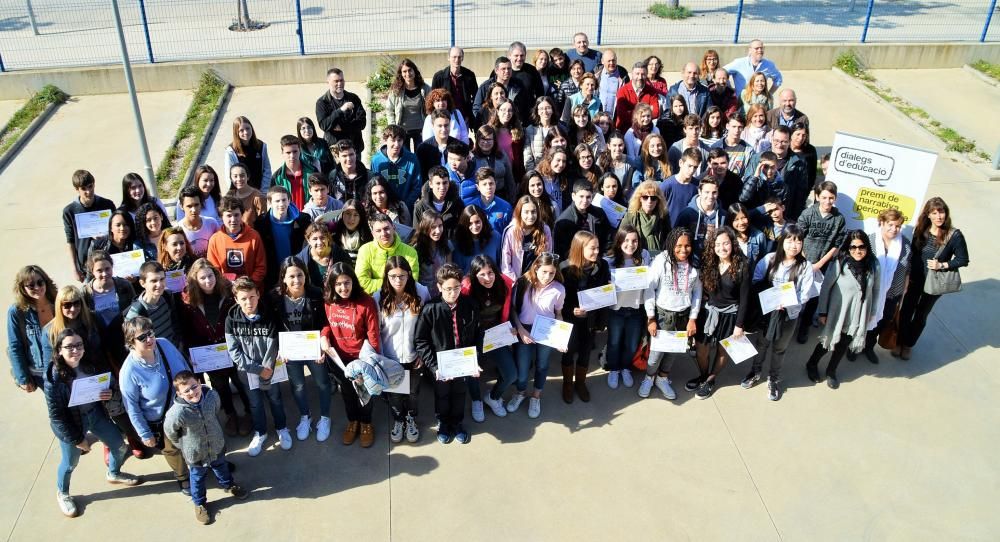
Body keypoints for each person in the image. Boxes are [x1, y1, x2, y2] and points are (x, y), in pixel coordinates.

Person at [46, 328, 142, 518]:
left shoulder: (90, 365)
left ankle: (113, 473)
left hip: (94, 415)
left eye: (79, 345)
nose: (75, 350)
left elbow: (107, 386)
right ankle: (63, 493)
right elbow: (56, 417)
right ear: (59, 350)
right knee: (70, 463)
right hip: (72, 424)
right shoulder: (53, 379)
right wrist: (76, 439)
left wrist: (108, 394)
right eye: (69, 347)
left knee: (119, 447)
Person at [164, 371, 249, 524]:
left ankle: (229, 485)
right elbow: (170, 431)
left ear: (198, 381)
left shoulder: (212, 396)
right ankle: (200, 503)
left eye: (194, 387)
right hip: (195, 453)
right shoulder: (177, 413)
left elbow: (216, 410)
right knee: (197, 478)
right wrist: (182, 445)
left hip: (216, 445)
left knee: (221, 466)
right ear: (179, 393)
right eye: (186, 391)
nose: (192, 392)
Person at [179, 259, 252, 436]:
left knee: (241, 382)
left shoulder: (227, 292)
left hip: (231, 348)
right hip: (208, 353)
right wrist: (193, 354)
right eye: (202, 278)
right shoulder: (188, 300)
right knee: (220, 386)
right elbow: (186, 329)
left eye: (210, 276)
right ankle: (231, 415)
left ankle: (249, 413)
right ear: (195, 280)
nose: (207, 281)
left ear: (216, 275)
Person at [119, 316, 191, 494]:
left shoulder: (164, 344)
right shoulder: (129, 371)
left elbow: (183, 366)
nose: (149, 339)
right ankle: (183, 477)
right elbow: (132, 407)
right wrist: (145, 433)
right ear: (131, 342)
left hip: (185, 406)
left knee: (195, 439)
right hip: (162, 420)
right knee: (172, 450)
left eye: (150, 333)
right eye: (142, 337)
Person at [744, 225, 814, 400]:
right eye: (790, 240)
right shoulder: (769, 259)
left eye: (798, 241)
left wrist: (787, 302)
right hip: (768, 313)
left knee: (780, 348)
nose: (794, 245)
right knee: (761, 344)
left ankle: (773, 379)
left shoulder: (805, 267)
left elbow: (804, 294)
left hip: (788, 315)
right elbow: (756, 280)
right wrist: (770, 297)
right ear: (782, 241)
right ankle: (755, 371)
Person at [268, 257, 333, 443]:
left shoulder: (315, 294)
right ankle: (305, 416)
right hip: (291, 351)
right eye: (291, 276)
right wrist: (278, 348)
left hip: (312, 348)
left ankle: (325, 418)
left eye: (300, 275)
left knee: (322, 382)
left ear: (306, 275)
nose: (296, 280)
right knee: (298, 385)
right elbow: (272, 325)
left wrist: (323, 341)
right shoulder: (275, 297)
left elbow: (324, 322)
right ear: (283, 278)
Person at [225, 276, 292, 456]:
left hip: (270, 369)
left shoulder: (268, 315)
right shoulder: (231, 320)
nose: (249, 302)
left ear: (258, 294)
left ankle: (282, 428)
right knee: (254, 404)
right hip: (248, 373)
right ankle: (260, 433)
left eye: (252, 297)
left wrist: (267, 369)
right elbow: (234, 351)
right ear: (236, 299)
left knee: (275, 399)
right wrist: (257, 370)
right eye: (244, 298)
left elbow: (272, 345)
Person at [805, 231, 880, 389]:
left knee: (843, 345)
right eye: (853, 247)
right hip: (838, 312)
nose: (857, 251)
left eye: (861, 247)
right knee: (827, 341)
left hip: (858, 313)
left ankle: (831, 371)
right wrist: (823, 311)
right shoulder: (840, 262)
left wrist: (872, 312)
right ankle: (811, 364)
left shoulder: (874, 264)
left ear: (867, 247)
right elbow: (826, 287)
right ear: (848, 247)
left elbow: (876, 290)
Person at [414, 264, 479, 444]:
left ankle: (457, 423)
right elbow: (421, 341)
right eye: (448, 289)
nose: (453, 293)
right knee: (442, 394)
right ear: (439, 287)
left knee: (459, 393)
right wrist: (434, 366)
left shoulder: (470, 305)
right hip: (441, 365)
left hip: (463, 362)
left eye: (456, 288)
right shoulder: (430, 309)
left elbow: (477, 335)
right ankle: (443, 423)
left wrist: (475, 361)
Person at [896, 197, 969, 360]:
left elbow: (963, 259)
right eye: (934, 213)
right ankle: (899, 341)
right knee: (906, 311)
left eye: (941, 212)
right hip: (915, 279)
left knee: (921, 315)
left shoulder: (954, 235)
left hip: (934, 283)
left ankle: (908, 345)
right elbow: (913, 254)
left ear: (946, 212)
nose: (938, 216)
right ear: (928, 215)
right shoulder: (921, 230)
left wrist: (941, 265)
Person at [320, 263, 381, 448]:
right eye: (338, 284)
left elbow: (373, 335)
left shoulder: (366, 302)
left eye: (347, 282)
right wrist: (324, 337)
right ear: (332, 285)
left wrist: (371, 362)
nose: (343, 288)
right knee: (347, 392)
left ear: (353, 281)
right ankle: (352, 421)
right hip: (339, 359)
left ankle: (366, 423)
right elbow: (326, 325)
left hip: (361, 358)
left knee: (364, 392)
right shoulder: (329, 302)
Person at [639, 228, 702, 400]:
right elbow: (649, 289)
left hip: (683, 315)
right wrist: (651, 317)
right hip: (662, 315)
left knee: (674, 352)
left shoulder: (694, 264)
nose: (683, 250)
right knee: (656, 353)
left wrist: (692, 319)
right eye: (679, 245)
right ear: (671, 244)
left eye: (687, 246)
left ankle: (662, 378)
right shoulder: (661, 261)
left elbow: (697, 293)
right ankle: (649, 377)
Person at [691, 226, 750, 399]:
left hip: (730, 315)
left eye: (726, 243)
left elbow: (745, 299)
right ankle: (703, 375)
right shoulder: (709, 261)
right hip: (709, 312)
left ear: (733, 243)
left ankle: (710, 379)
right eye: (717, 244)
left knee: (722, 351)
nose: (722, 248)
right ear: (712, 245)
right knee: (701, 347)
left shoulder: (742, 266)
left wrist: (739, 325)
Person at [376, 257, 429, 443]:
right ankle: (398, 420)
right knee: (396, 394)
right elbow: (376, 332)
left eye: (402, 276)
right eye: (393, 276)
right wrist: (383, 360)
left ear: (409, 275)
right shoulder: (379, 297)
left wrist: (424, 353)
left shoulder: (421, 292)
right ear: (386, 276)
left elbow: (427, 326)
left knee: (413, 392)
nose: (398, 280)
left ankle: (411, 418)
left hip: (415, 356)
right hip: (392, 358)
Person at [508, 253, 566, 418]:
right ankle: (520, 393)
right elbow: (512, 310)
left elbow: (558, 313)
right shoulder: (522, 283)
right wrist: (520, 329)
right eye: (544, 272)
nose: (547, 277)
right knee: (522, 368)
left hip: (546, 330)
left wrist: (559, 337)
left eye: (552, 273)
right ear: (536, 267)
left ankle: (536, 396)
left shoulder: (559, 289)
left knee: (542, 365)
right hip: (524, 328)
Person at [557, 231, 610, 403]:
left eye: (598, 248)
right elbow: (558, 299)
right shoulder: (564, 268)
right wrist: (571, 310)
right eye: (592, 248)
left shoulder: (602, 266)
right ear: (580, 248)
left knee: (586, 351)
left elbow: (604, 293)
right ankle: (567, 383)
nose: (597, 252)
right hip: (570, 320)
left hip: (591, 320)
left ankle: (580, 382)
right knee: (569, 351)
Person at [462, 255, 517, 420]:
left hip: (495, 334)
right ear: (474, 275)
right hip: (473, 336)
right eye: (482, 275)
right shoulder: (467, 289)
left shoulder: (505, 284)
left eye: (490, 273)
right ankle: (476, 400)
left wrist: (510, 328)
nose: (487, 278)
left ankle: (493, 397)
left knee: (511, 374)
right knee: (471, 371)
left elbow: (507, 310)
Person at [796, 181, 847, 344]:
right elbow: (798, 238)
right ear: (817, 197)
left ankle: (804, 326)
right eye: (824, 197)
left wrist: (819, 264)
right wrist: (805, 261)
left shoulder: (839, 219)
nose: (827, 201)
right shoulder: (807, 214)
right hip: (801, 261)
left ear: (835, 198)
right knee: (794, 291)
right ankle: (788, 321)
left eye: (831, 198)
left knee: (813, 297)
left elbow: (837, 244)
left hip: (822, 265)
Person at [862, 209, 912, 364]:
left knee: (881, 321)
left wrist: (905, 287)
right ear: (882, 223)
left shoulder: (905, 245)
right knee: (862, 320)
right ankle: (854, 347)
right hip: (869, 292)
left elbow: (907, 267)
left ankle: (868, 347)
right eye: (890, 225)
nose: (894, 229)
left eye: (897, 226)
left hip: (892, 293)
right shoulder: (869, 241)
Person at [604, 225, 651, 389]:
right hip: (616, 309)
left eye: (634, 241)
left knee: (631, 343)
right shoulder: (609, 261)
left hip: (636, 309)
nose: (631, 244)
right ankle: (613, 369)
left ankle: (625, 368)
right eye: (626, 240)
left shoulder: (644, 256)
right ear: (619, 241)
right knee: (614, 342)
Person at [7, 265, 56, 392]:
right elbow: (14, 346)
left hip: (66, 366)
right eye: (31, 285)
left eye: (40, 282)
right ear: (23, 289)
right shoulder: (16, 312)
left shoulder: (59, 302)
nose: (37, 288)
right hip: (41, 373)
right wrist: (23, 378)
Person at [63, 170, 117, 281]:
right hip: (85, 265)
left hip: (108, 261)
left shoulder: (107, 204)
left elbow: (116, 231)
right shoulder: (69, 211)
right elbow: (70, 241)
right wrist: (75, 269)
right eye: (83, 189)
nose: (88, 191)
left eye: (90, 186)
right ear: (77, 189)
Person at [255, 185, 312, 288]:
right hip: (273, 274)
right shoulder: (261, 223)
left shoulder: (303, 220)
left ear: (289, 200)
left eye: (284, 200)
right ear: (269, 203)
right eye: (277, 201)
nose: (281, 204)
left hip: (297, 273)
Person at [207, 196, 267, 289]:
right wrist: (226, 286)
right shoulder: (214, 240)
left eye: (236, 215)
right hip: (226, 290)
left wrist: (248, 286)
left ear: (242, 215)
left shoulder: (254, 236)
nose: (233, 219)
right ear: (221, 216)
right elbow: (214, 270)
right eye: (229, 215)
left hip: (251, 291)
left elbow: (261, 267)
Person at [125, 261, 183, 350]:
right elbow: (131, 346)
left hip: (173, 351)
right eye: (153, 281)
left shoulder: (167, 296)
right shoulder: (136, 312)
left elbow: (175, 324)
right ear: (142, 283)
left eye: (162, 279)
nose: (159, 285)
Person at [501, 195, 554, 280]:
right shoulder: (511, 231)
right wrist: (515, 283)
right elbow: (505, 263)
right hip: (517, 280)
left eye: (533, 212)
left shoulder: (545, 229)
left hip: (538, 279)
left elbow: (548, 255)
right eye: (526, 212)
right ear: (519, 212)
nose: (530, 216)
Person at [371, 124, 423, 208]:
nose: (396, 144)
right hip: (384, 207)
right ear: (385, 140)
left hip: (406, 207)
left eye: (399, 140)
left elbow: (417, 186)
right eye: (393, 140)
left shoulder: (412, 159)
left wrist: (405, 204)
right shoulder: (376, 161)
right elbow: (374, 185)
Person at [554, 180, 611, 258]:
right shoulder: (564, 221)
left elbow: (607, 237)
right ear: (573, 196)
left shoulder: (599, 213)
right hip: (575, 261)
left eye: (588, 197)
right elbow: (561, 250)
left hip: (597, 256)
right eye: (581, 196)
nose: (585, 201)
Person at [676, 178, 728, 262]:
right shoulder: (687, 213)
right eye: (707, 192)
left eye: (714, 192)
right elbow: (676, 239)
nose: (710, 196)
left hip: (714, 263)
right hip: (691, 263)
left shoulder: (723, 215)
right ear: (700, 192)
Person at [316, 67, 367, 153]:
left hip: (354, 148)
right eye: (336, 81)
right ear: (328, 82)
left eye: (342, 80)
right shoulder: (322, 102)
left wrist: (342, 127)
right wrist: (340, 110)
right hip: (335, 150)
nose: (340, 83)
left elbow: (362, 123)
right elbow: (324, 125)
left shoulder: (353, 98)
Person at [385, 58, 431, 150]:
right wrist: (393, 126)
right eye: (404, 71)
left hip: (421, 130)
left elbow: (431, 108)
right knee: (404, 156)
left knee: (421, 155)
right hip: (402, 131)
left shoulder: (425, 88)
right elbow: (389, 110)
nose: (407, 74)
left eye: (410, 70)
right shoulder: (396, 90)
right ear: (401, 74)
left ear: (414, 71)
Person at [473, 57, 529, 129]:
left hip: (513, 128)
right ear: (496, 70)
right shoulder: (486, 86)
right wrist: (484, 127)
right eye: (503, 69)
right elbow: (476, 109)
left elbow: (525, 106)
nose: (507, 71)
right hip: (491, 129)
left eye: (509, 68)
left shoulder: (519, 85)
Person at [621, 180, 670, 255]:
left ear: (658, 200)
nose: (649, 201)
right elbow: (621, 238)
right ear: (640, 199)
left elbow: (669, 239)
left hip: (658, 257)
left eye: (653, 198)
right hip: (635, 257)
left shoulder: (663, 216)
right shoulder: (631, 215)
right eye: (645, 197)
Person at [411, 211, 453, 297]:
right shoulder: (416, 249)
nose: (438, 231)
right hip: (423, 294)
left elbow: (449, 270)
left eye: (440, 226)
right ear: (425, 227)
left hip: (443, 293)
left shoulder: (447, 244)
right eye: (433, 227)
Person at [431, 47, 478, 124]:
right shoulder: (439, 77)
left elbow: (476, 97)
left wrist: (469, 116)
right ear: (448, 58)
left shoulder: (469, 76)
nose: (457, 60)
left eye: (459, 57)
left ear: (462, 58)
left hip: (464, 119)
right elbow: (433, 99)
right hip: (445, 118)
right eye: (454, 57)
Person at [223, 116, 271, 191]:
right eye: (241, 130)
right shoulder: (231, 152)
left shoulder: (261, 146)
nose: (246, 132)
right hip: (242, 194)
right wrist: (239, 194)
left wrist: (263, 191)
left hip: (260, 192)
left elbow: (267, 170)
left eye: (248, 128)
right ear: (236, 133)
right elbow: (229, 177)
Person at [270, 134, 316, 211]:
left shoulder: (312, 172)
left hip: (309, 217)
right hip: (287, 219)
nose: (292, 156)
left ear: (300, 150)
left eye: (295, 151)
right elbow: (273, 202)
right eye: (288, 152)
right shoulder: (276, 177)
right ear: (282, 152)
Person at [298, 222, 351, 289]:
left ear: (328, 238)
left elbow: (350, 281)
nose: (319, 242)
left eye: (322, 238)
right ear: (308, 240)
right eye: (315, 239)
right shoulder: (300, 260)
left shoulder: (342, 256)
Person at [413, 165, 466, 231]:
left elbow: (463, 229)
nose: (442, 187)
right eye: (438, 183)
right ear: (431, 184)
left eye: (445, 183)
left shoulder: (457, 203)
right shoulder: (420, 207)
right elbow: (417, 233)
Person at [614, 61, 662, 132]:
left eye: (643, 74)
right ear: (632, 75)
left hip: (646, 130)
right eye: (637, 74)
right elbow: (622, 115)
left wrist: (630, 112)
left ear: (646, 75)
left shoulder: (652, 91)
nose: (640, 77)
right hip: (625, 130)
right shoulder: (623, 91)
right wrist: (646, 113)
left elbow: (655, 112)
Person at [471, 126, 516, 201]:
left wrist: (512, 200)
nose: (486, 142)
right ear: (478, 140)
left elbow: (509, 179)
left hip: (501, 196)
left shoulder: (501, 155)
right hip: (480, 198)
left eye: (489, 139)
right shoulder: (472, 157)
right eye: (483, 139)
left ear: (494, 140)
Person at [660, 148, 703, 228]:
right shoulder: (667, 185)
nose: (692, 170)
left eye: (695, 167)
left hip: (688, 232)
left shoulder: (697, 186)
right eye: (689, 166)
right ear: (681, 163)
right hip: (668, 232)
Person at [453, 205, 501, 274]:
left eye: (477, 222)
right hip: (468, 282)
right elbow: (458, 270)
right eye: (470, 223)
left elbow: (500, 265)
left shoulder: (495, 237)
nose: (474, 226)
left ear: (483, 220)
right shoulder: (458, 241)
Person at [177, 186, 221, 258]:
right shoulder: (178, 229)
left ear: (201, 204)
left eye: (196, 205)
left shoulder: (212, 223)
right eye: (189, 206)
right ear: (181, 206)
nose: (194, 210)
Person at [488, 99, 526, 182]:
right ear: (497, 111)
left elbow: (520, 156)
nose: (507, 113)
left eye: (510, 110)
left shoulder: (517, 130)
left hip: (514, 173)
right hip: (497, 173)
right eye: (503, 110)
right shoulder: (490, 131)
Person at [523, 96, 566, 172]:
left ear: (552, 110)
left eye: (548, 108)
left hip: (557, 170)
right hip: (538, 171)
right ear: (537, 111)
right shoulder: (530, 130)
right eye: (541, 109)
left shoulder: (560, 128)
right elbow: (527, 155)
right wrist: (533, 173)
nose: (545, 111)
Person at [417, 110, 461, 180]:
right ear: (433, 126)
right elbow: (421, 175)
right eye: (439, 126)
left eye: (446, 125)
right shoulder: (423, 148)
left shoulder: (458, 146)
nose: (443, 129)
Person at [711, 114, 755, 178]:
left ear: (743, 128)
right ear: (727, 126)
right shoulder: (715, 147)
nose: (736, 130)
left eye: (740, 127)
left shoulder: (749, 150)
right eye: (734, 126)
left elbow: (749, 175)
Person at [331, 200, 373, 264]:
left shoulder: (369, 236)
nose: (351, 218)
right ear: (342, 215)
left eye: (356, 215)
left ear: (361, 217)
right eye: (348, 214)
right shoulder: (335, 234)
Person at [226, 163, 266, 228]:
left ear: (248, 177)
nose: (239, 179)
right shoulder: (230, 195)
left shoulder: (258, 197)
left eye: (242, 176)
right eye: (235, 176)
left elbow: (263, 223)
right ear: (231, 178)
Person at [728, 202, 767, 267]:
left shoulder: (759, 236)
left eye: (743, 218)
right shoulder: (728, 237)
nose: (741, 222)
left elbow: (763, 262)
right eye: (736, 219)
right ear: (730, 222)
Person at [595, 51, 629, 119]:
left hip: (615, 117)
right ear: (602, 61)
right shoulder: (596, 74)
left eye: (613, 60)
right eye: (609, 61)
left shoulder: (623, 75)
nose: (612, 63)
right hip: (598, 117)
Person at [790, 122, 818, 189]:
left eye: (804, 135)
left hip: (802, 189)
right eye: (798, 134)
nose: (800, 138)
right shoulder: (784, 148)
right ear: (791, 134)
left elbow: (813, 173)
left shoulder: (810, 150)